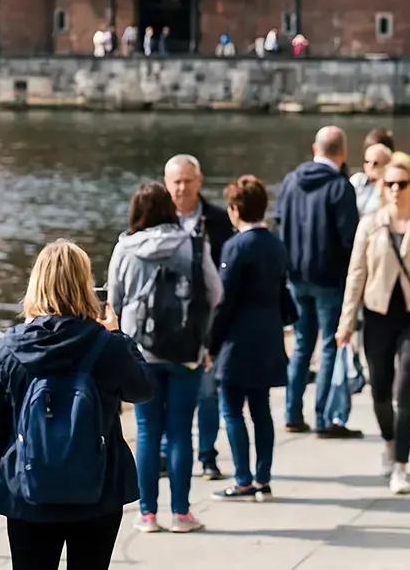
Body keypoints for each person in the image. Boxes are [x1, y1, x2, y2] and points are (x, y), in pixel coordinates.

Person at [0, 240, 153, 570]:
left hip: (28, 490)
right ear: (84, 285)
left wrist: (0, 455)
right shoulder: (105, 345)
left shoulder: (12, 345)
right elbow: (143, 390)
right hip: (98, 487)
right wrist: (118, 336)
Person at [106, 181, 223, 533]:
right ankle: (181, 513)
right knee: (180, 433)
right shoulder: (192, 243)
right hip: (186, 350)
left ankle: (147, 514)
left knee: (146, 432)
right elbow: (216, 293)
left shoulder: (125, 248)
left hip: (140, 353)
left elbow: (115, 300)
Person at [336, 152, 410, 495]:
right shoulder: (370, 224)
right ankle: (389, 441)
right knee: (379, 391)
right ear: (382, 188)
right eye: (390, 184)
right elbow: (356, 275)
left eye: (403, 184)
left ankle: (401, 465)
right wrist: (346, 324)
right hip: (376, 315)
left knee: (406, 390)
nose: (396, 190)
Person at [273, 127, 362, 438]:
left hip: (296, 276)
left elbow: (280, 224)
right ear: (343, 152)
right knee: (328, 346)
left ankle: (291, 412)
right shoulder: (340, 187)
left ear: (315, 148)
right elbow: (350, 238)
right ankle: (323, 418)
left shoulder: (290, 182)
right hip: (329, 278)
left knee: (300, 345)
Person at [209, 175, 288, 501]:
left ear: (236, 209)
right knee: (261, 409)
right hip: (268, 333)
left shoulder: (235, 246)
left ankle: (242, 477)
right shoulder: (276, 244)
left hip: (238, 339)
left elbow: (225, 300)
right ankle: (263, 477)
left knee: (231, 410)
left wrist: (211, 343)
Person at [162, 154, 233, 482]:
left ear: (199, 182)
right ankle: (165, 452)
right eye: (175, 181)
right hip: (164, 325)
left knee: (207, 394)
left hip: (206, 323)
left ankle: (207, 454)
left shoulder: (217, 221)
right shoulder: (156, 220)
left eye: (187, 181)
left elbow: (227, 270)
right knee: (161, 394)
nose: (181, 188)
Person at [351, 142, 392, 216]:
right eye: (367, 162)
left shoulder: (391, 187)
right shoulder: (356, 180)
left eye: (375, 163)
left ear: (386, 165)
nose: (370, 166)